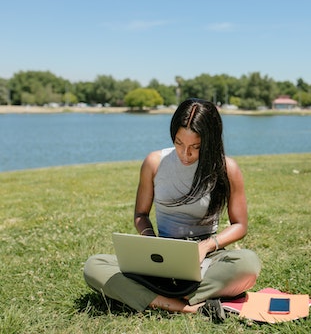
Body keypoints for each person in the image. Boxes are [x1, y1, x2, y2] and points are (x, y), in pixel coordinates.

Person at [83, 98, 261, 323]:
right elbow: (141, 215)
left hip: (206, 259)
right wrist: (149, 241)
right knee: (94, 266)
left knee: (248, 264)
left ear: (210, 142)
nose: (185, 154)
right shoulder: (155, 163)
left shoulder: (227, 169)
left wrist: (205, 247)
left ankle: (156, 296)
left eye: (195, 147)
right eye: (179, 143)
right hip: (160, 258)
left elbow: (240, 225)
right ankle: (187, 307)